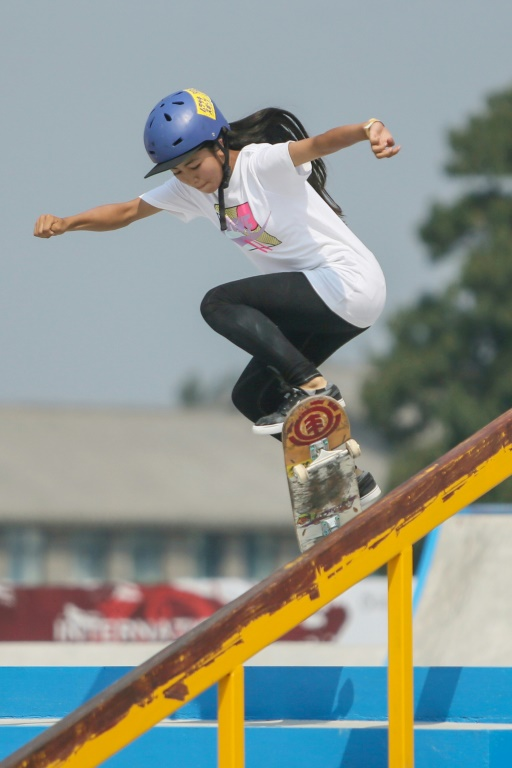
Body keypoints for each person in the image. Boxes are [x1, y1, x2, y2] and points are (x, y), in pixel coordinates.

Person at [34, 87, 400, 509]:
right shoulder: (190, 190)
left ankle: (315, 386)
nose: (192, 178)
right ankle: (348, 476)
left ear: (220, 144)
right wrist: (67, 223)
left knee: (218, 303)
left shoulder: (260, 164)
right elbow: (127, 212)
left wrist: (368, 129)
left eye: (195, 165)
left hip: (346, 282)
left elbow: (319, 144)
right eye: (180, 173)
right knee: (251, 397)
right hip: (328, 306)